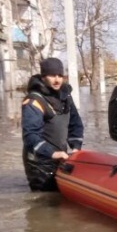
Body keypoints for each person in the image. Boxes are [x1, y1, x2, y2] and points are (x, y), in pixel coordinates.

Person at [21, 57, 85, 192]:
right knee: (45, 202)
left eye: (60, 75)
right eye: (52, 75)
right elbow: (30, 136)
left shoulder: (66, 96)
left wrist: (75, 148)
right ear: (44, 77)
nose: (57, 79)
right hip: (39, 163)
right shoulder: (34, 101)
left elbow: (75, 124)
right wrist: (52, 153)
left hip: (60, 158)